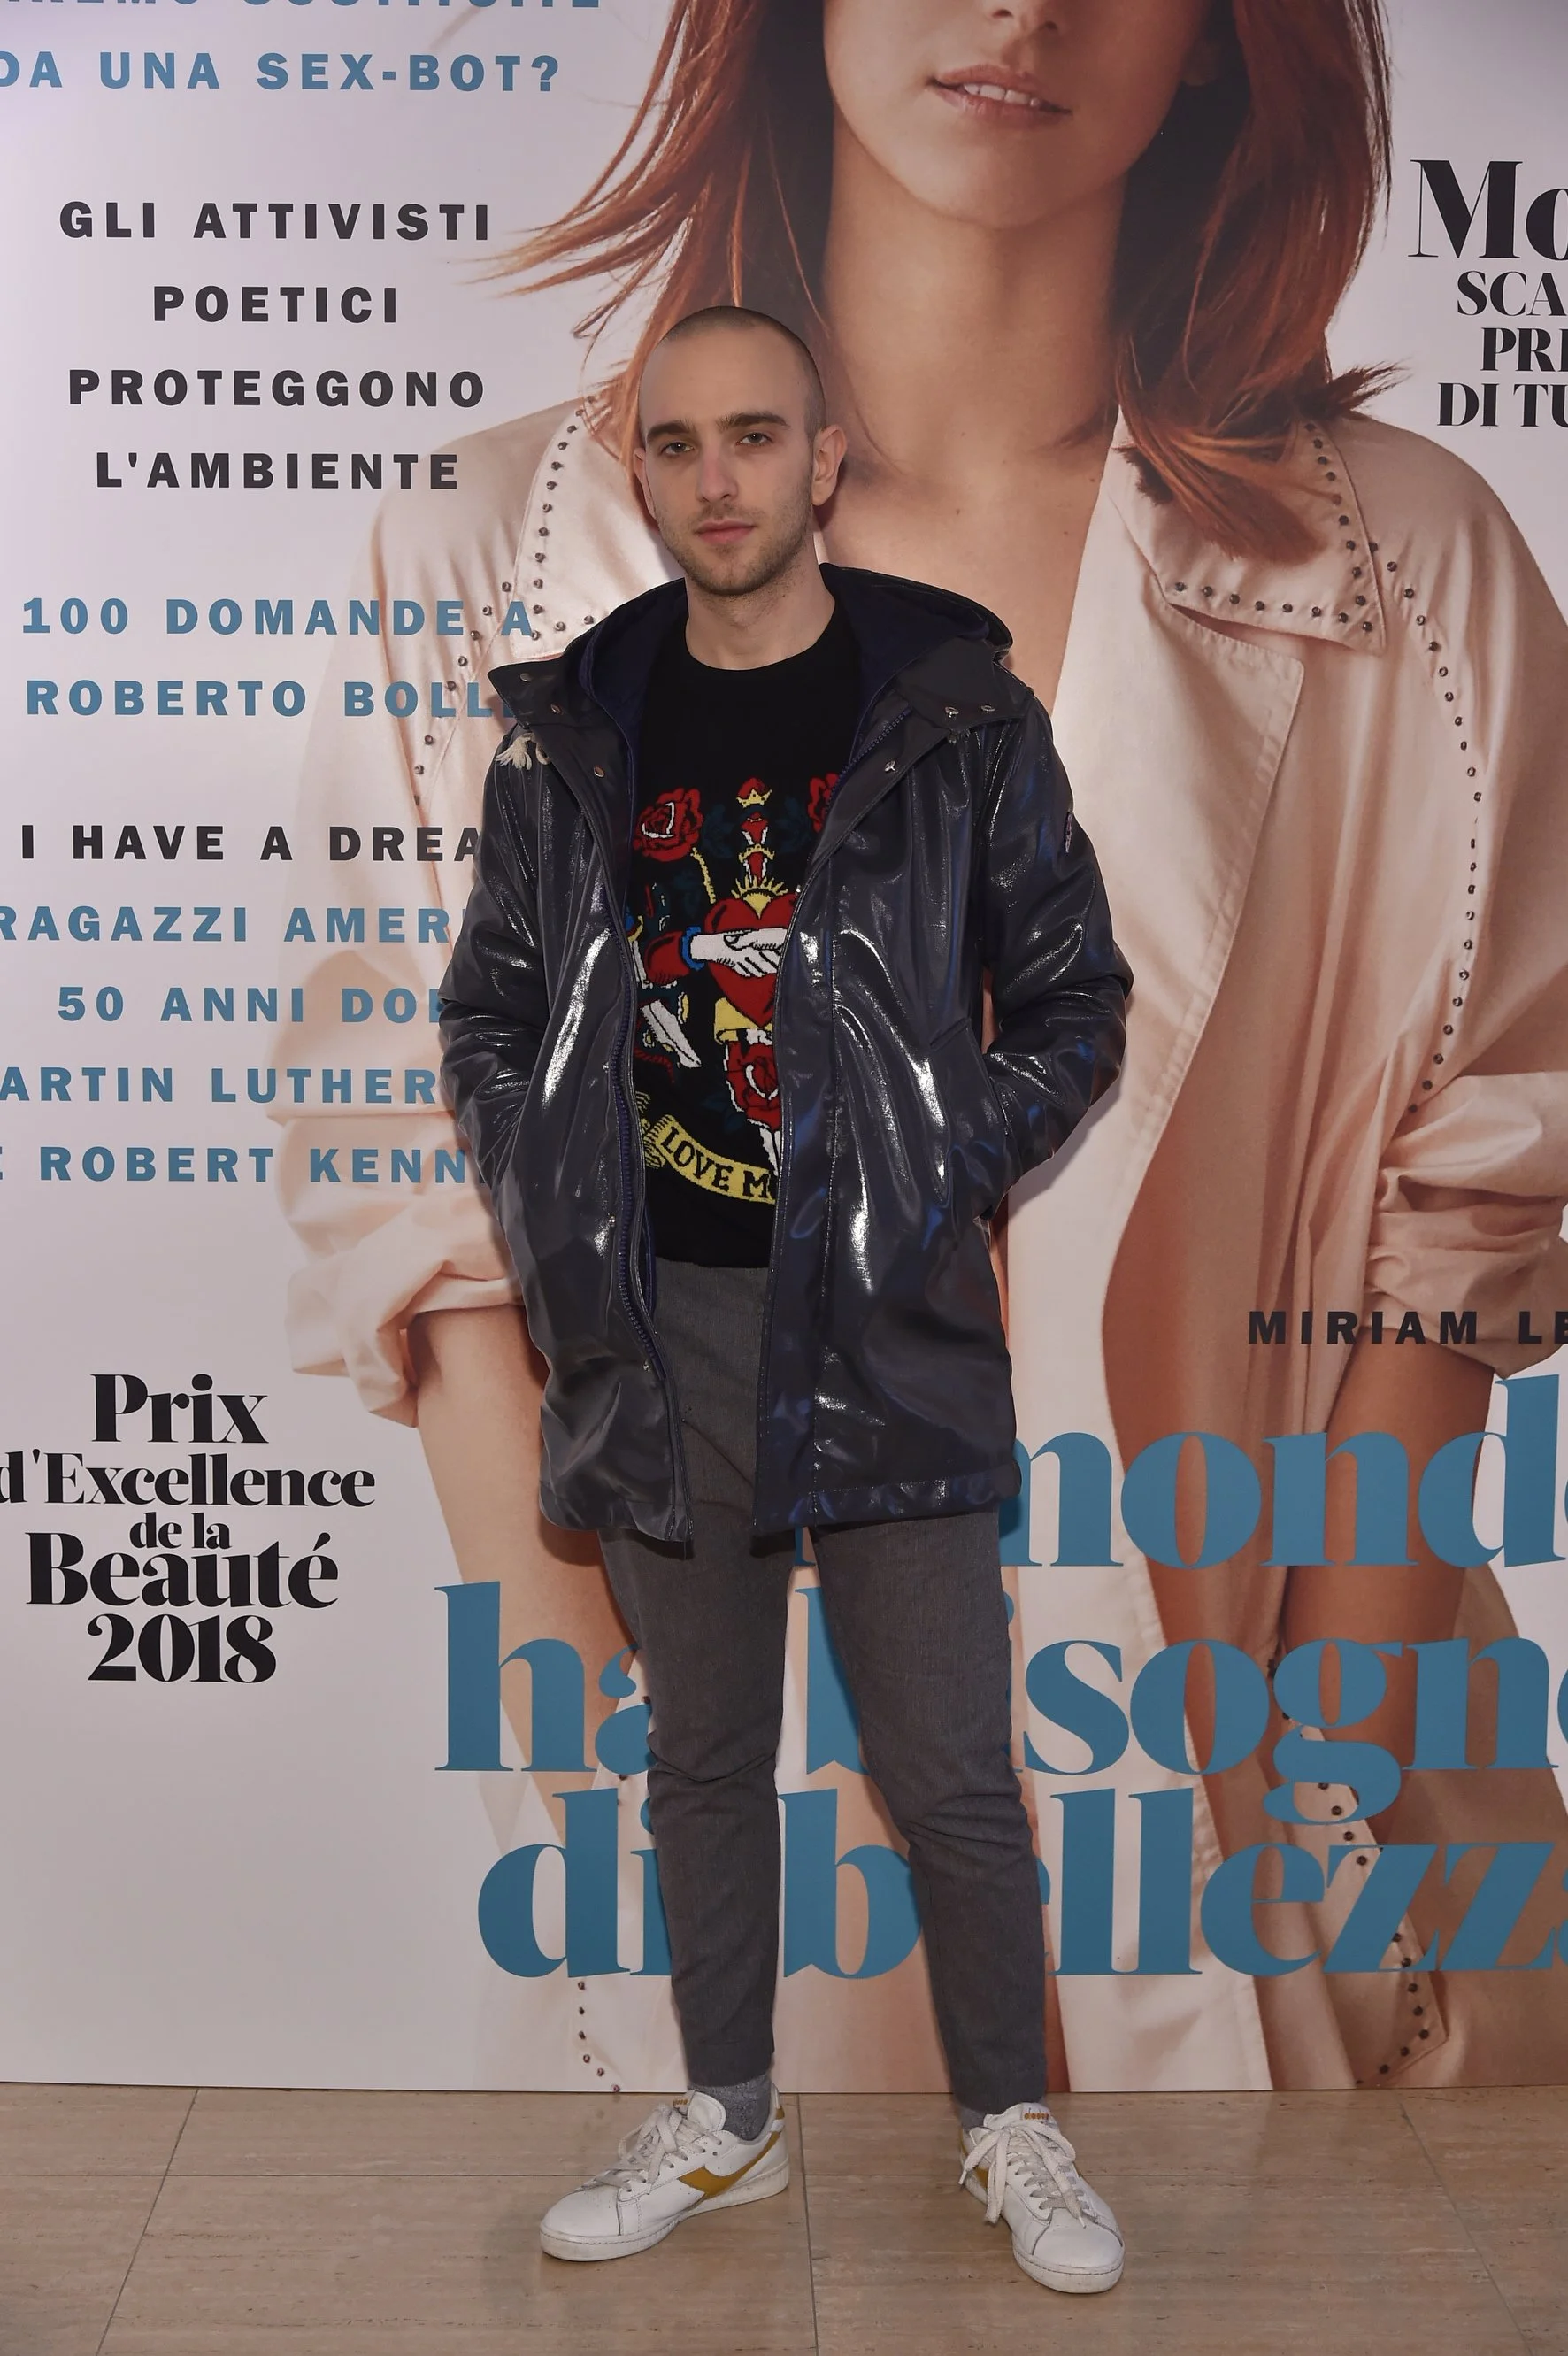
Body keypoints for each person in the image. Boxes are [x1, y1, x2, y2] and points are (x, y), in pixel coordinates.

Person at [276, 0, 1568, 2092]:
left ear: (1225, 37)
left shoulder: (1415, 566)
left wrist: (1317, 1742)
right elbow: (430, 1210)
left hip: (1304, 1841)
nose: (1021, 7)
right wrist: (610, 1750)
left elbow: (1482, 1178)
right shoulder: (492, 556)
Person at [437, 304, 1133, 2282]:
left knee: (951, 1773)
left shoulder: (955, 715)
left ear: (825, 460)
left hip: (887, 1313)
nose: (716, 478)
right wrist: (552, 1189)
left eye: (755, 436)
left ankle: (1010, 2122)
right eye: (676, 444)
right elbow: (491, 1010)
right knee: (702, 1760)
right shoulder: (571, 732)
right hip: (659, 1322)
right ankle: (727, 2116)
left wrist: (938, 1157)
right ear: (642, 475)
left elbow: (1073, 993)